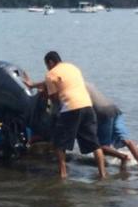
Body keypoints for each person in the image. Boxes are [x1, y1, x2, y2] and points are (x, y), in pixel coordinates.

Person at [23, 51, 106, 179]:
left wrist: (44, 93)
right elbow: (60, 82)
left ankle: (63, 173)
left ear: (50, 62)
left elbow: (54, 98)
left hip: (71, 109)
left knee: (59, 143)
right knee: (95, 144)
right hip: (87, 106)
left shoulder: (51, 74)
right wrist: (33, 85)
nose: (47, 68)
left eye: (47, 65)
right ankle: (103, 174)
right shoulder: (73, 68)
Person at [87, 83, 138, 172]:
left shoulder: (77, 87)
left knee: (99, 147)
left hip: (102, 113)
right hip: (114, 109)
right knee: (126, 140)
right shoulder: (89, 85)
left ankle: (122, 157)